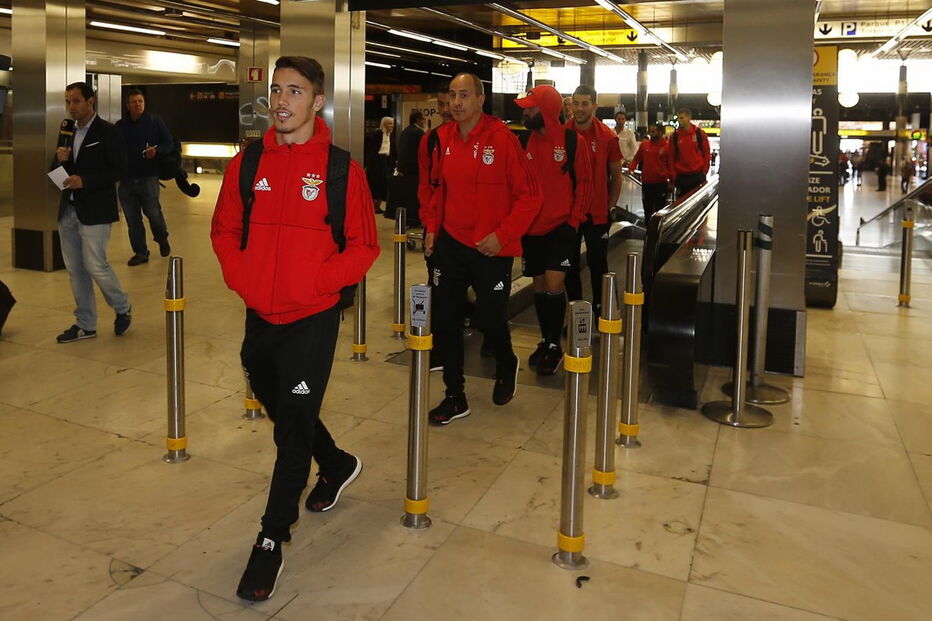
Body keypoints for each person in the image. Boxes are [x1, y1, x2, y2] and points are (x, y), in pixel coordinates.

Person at [210, 56, 380, 602]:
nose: (282, 101)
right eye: (277, 90)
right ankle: (335, 464)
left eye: (295, 92)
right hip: (260, 312)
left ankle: (270, 538)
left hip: (312, 317)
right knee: (280, 404)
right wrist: (245, 280)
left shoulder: (339, 170)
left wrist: (317, 284)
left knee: (290, 429)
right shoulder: (248, 162)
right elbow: (224, 229)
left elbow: (364, 246)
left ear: (317, 101)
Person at [420, 73, 542, 425]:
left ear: (481, 99)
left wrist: (502, 235)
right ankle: (455, 395)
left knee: (490, 318)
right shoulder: (441, 138)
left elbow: (530, 197)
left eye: (465, 95)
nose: (457, 102)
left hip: (490, 248)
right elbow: (436, 191)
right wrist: (432, 228)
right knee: (446, 321)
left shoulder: (502, 139)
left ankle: (507, 362)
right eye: (453, 96)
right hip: (450, 244)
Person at [516, 85, 592, 375]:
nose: (525, 112)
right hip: (531, 229)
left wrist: (573, 221)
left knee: (553, 284)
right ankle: (546, 339)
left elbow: (584, 183)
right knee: (537, 286)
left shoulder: (573, 142)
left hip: (561, 228)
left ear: (546, 109)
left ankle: (554, 345)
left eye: (530, 108)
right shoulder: (524, 142)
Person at [53, 82, 132, 343]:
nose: (71, 107)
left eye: (75, 101)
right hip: (69, 209)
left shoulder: (108, 132)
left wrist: (85, 181)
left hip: (96, 210)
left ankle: (122, 307)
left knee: (95, 265)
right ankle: (85, 324)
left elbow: (118, 170)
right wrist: (60, 161)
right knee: (76, 270)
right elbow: (56, 170)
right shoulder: (67, 131)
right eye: (67, 102)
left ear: (90, 101)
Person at [564, 84, 623, 317]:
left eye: (584, 103)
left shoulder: (608, 137)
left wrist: (610, 206)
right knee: (569, 266)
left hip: (598, 212)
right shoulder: (562, 133)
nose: (578, 108)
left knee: (599, 264)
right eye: (575, 103)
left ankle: (602, 311)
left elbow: (616, 176)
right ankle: (578, 314)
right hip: (568, 213)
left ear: (594, 106)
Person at [116, 89, 173, 265]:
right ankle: (140, 252)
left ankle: (162, 238)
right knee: (133, 220)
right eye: (134, 102)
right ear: (128, 105)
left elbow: (169, 143)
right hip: (126, 180)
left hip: (148, 177)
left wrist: (157, 151)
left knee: (153, 214)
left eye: (140, 101)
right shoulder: (120, 126)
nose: (137, 104)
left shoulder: (155, 122)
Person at [418, 89, 453, 372]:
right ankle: (442, 349)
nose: (446, 108)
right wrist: (429, 224)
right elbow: (425, 186)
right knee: (439, 291)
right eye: (441, 103)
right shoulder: (430, 140)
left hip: (468, 231)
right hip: (438, 229)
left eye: (450, 102)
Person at [630, 123, 673, 222]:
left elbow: (671, 164)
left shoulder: (667, 146)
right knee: (647, 209)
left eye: (654, 132)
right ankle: (648, 231)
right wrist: (631, 168)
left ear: (661, 133)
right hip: (647, 183)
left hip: (661, 183)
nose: (651, 134)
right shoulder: (645, 145)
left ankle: (657, 231)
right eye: (651, 131)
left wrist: (672, 181)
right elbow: (637, 158)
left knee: (660, 209)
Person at [390, 108, 426, 222]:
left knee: (407, 194)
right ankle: (415, 218)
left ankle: (408, 218)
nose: (424, 121)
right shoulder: (419, 132)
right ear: (418, 119)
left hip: (404, 168)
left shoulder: (405, 131)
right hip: (415, 168)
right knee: (416, 194)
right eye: (423, 119)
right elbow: (422, 151)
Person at [668, 107, 711, 198]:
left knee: (698, 203)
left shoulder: (699, 134)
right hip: (681, 177)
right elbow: (671, 156)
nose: (679, 120)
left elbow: (706, 153)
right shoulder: (674, 136)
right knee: (681, 204)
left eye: (682, 118)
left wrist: (704, 172)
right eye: (678, 118)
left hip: (697, 175)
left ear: (689, 118)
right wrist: (673, 176)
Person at [364, 116, 396, 213]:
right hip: (376, 161)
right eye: (390, 124)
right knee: (375, 183)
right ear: (384, 124)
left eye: (392, 124)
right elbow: (370, 149)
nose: (392, 126)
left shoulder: (391, 136)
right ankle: (374, 206)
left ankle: (378, 205)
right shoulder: (377, 134)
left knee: (384, 184)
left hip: (386, 161)